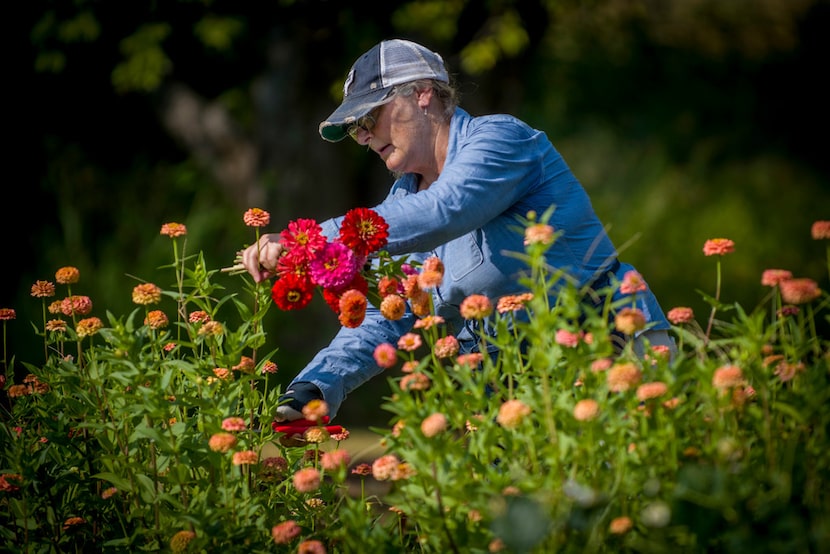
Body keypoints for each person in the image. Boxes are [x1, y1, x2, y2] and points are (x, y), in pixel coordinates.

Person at [241, 38, 676, 422]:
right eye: (356, 128)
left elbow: (447, 209)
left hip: (610, 344)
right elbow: (385, 314)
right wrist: (313, 389)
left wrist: (311, 241)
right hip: (515, 390)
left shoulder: (502, 140)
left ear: (423, 94)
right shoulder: (402, 204)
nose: (364, 136)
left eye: (371, 116)